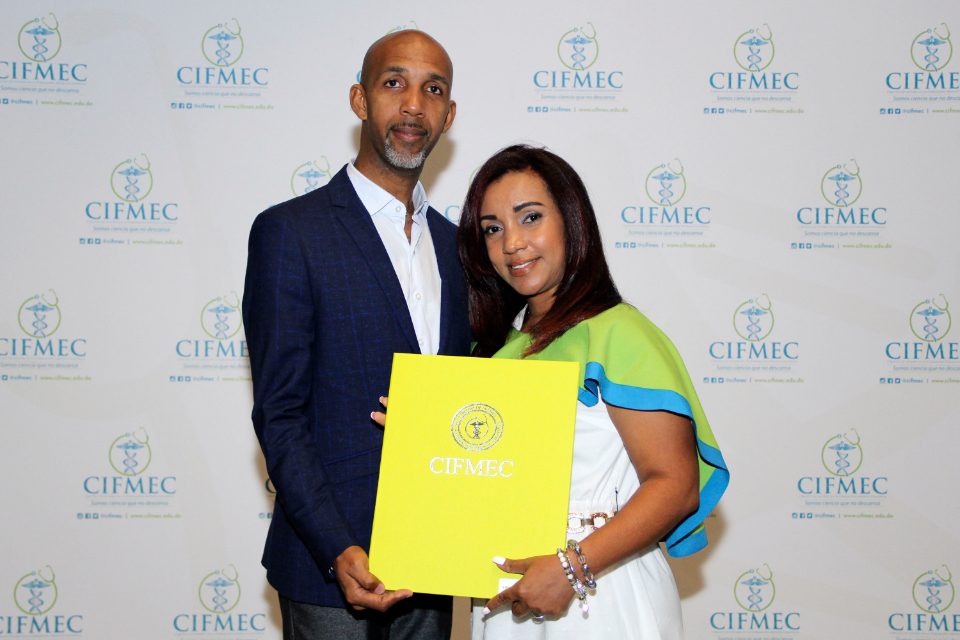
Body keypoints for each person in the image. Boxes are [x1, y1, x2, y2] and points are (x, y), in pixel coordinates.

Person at [242, 30, 471, 640]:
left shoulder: (460, 249)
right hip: (329, 565)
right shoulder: (291, 233)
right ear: (360, 100)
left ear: (449, 115)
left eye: (433, 90)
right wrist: (335, 546)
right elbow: (280, 413)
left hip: (434, 558)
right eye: (394, 83)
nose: (414, 105)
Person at [456, 145, 729, 639]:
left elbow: (676, 484)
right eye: (492, 228)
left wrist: (570, 569)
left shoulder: (619, 333)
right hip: (505, 594)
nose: (512, 243)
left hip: (599, 594)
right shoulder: (492, 350)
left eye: (530, 217)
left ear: (572, 220)